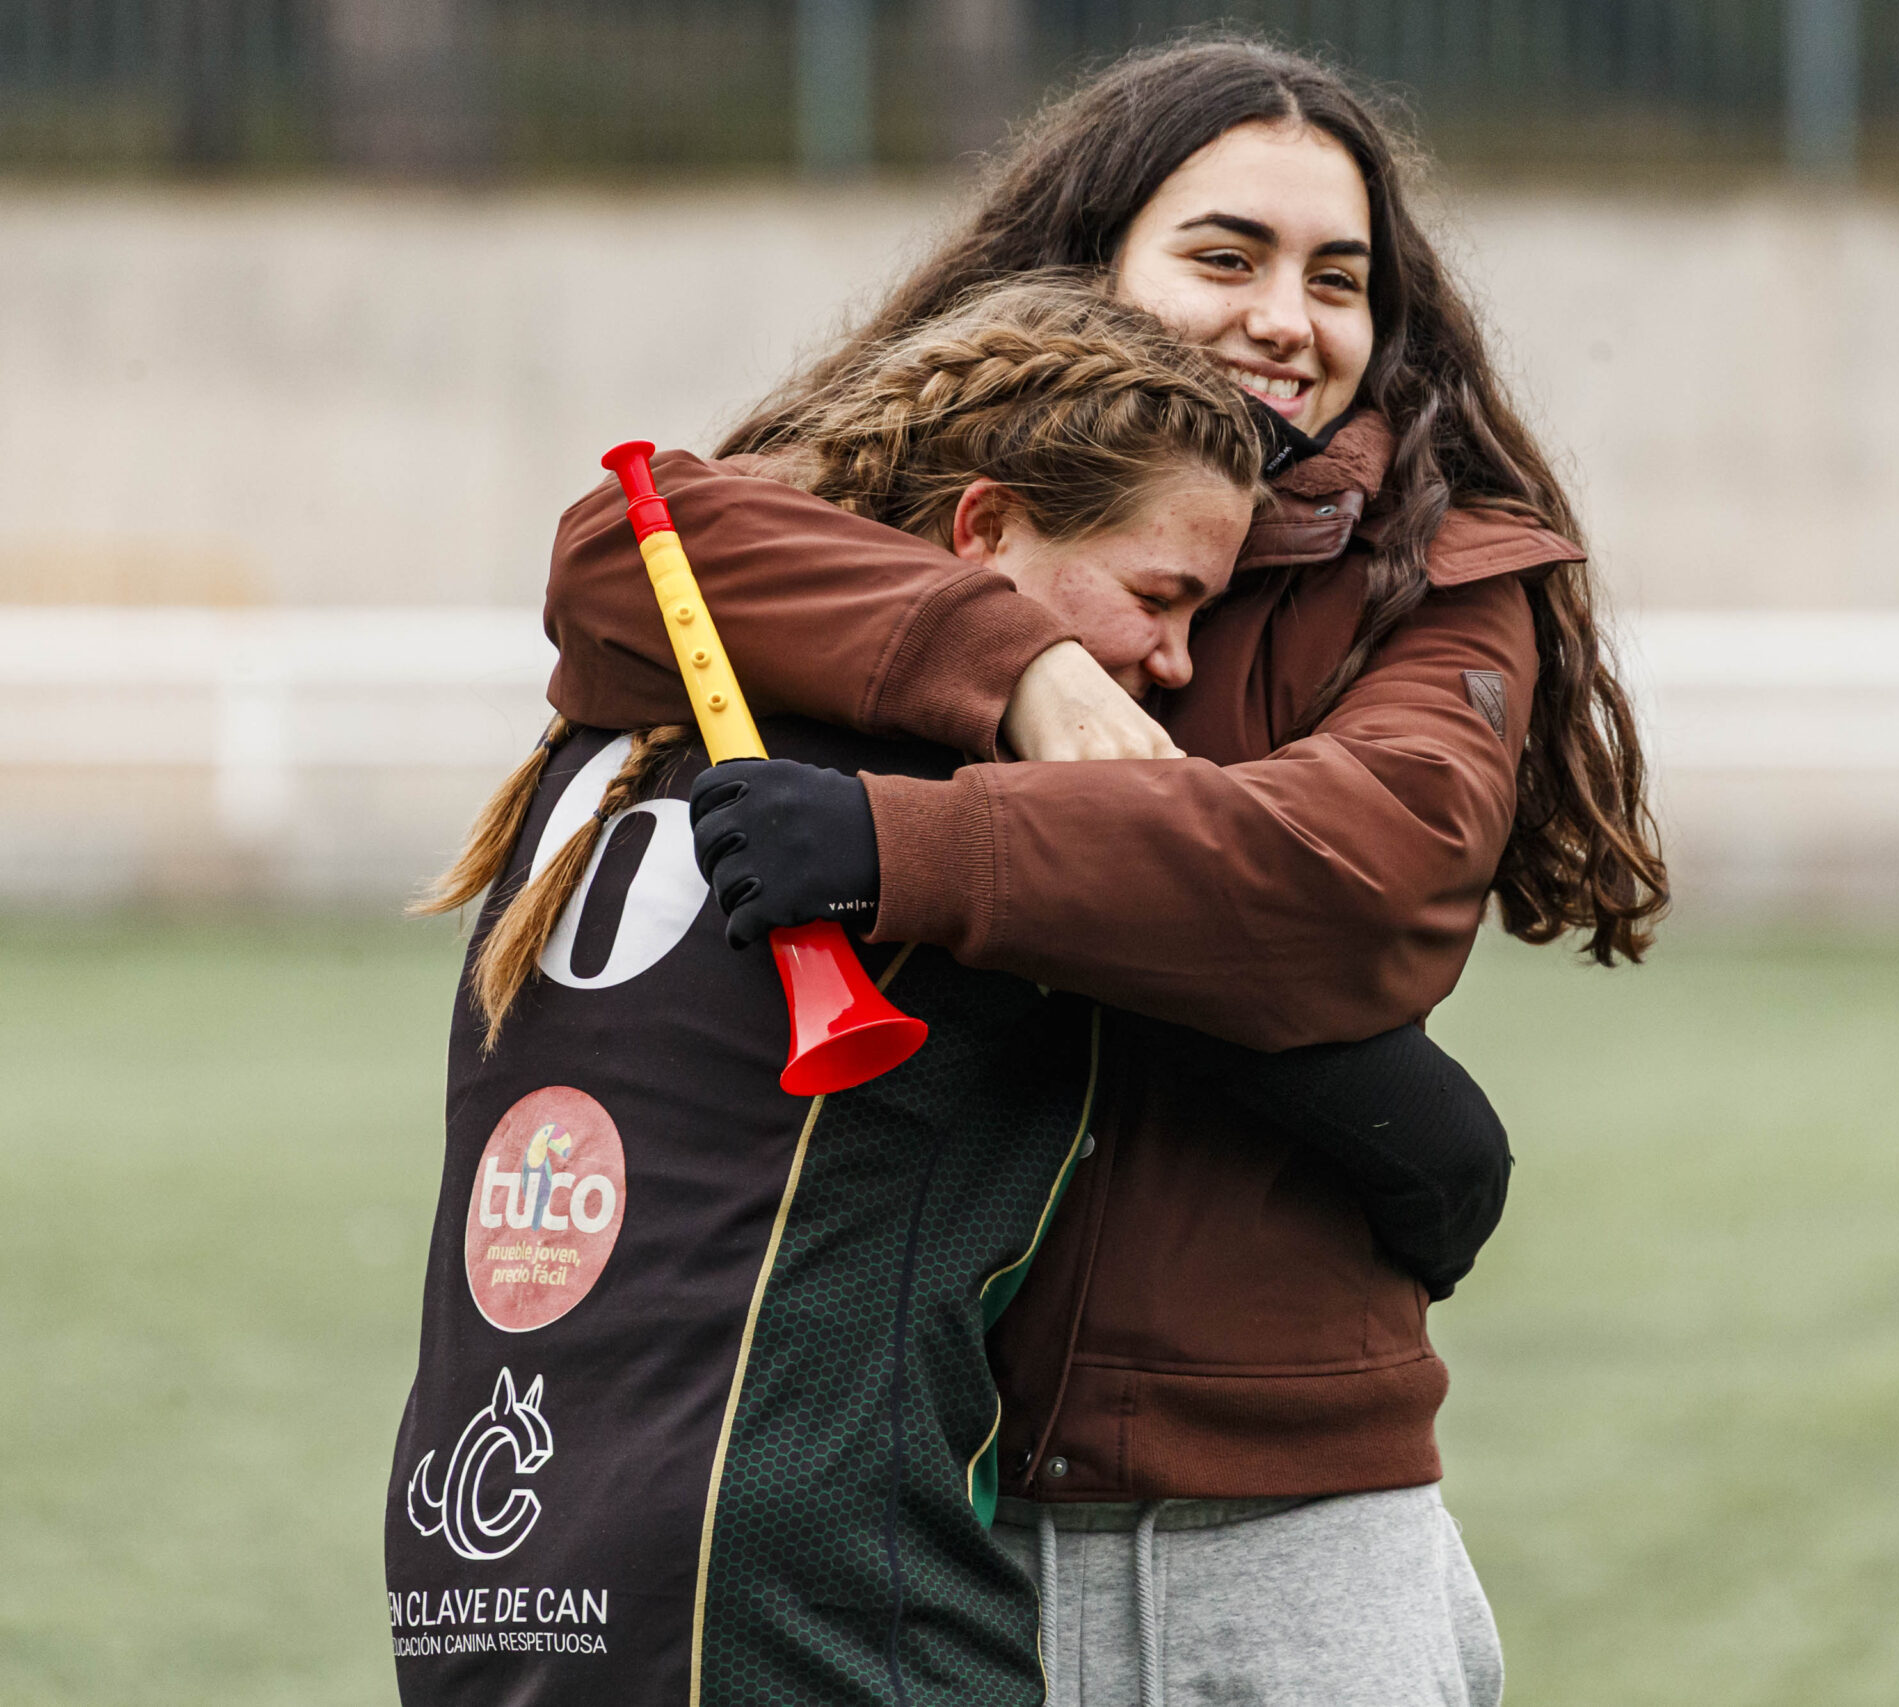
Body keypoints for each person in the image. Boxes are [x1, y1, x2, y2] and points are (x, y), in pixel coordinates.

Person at [543, 37, 1670, 1707]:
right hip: (919, 1512)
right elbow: (620, 556)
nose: (1287, 318)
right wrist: (1019, 664)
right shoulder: (933, 495)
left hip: (1287, 1515)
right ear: (1087, 264)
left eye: (1338, 279)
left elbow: (1352, 881)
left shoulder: (1443, 574)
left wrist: (900, 849)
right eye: (1227, 256)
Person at [387, 278, 1513, 1707]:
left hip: (481, 1564)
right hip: (793, 1593)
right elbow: (1439, 1152)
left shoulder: (620, 722)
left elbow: (630, 533)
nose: (1173, 662)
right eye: (1159, 599)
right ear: (983, 531)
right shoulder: (930, 797)